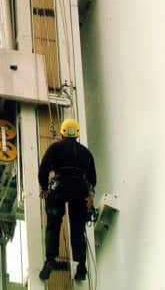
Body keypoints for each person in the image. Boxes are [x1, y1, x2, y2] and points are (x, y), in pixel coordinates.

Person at [38, 118, 96, 281]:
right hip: (79, 191)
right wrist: (89, 196)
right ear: (77, 135)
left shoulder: (55, 148)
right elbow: (93, 179)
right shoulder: (86, 153)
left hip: (59, 188)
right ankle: (81, 267)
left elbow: (43, 170)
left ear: (62, 133)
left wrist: (44, 188)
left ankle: (50, 260)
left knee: (53, 224)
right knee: (78, 228)